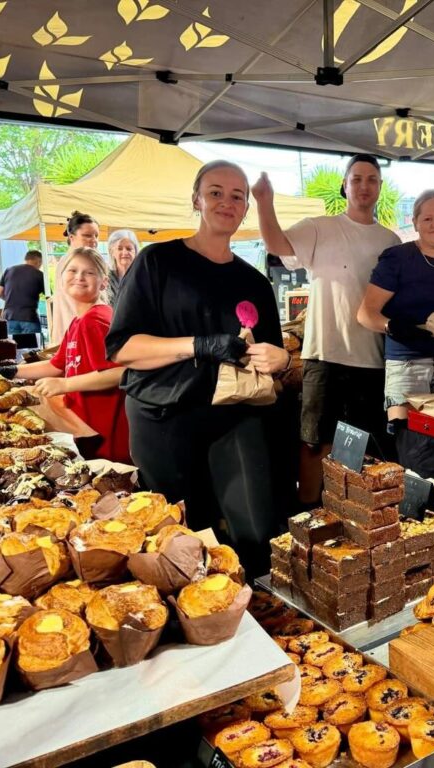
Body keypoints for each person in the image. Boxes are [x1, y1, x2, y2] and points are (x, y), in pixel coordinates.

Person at [107, 160, 290, 574]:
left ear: (246, 208)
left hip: (234, 412)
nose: (227, 202)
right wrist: (198, 346)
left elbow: (272, 353)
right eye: (215, 192)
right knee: (179, 538)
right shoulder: (158, 262)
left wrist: (282, 359)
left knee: (256, 532)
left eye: (237, 195)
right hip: (164, 414)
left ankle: (261, 618)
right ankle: (196, 622)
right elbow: (122, 348)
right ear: (196, 200)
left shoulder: (255, 282)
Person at [253, 154, 399, 506]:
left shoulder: (391, 241)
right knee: (315, 442)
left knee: (361, 449)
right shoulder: (319, 227)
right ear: (345, 186)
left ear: (379, 188)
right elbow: (276, 244)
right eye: (357, 179)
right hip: (324, 354)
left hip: (373, 359)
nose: (364, 186)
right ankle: (308, 515)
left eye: (372, 180)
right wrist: (264, 201)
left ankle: (350, 516)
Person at [0, 247, 130, 463]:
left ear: (104, 282)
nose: (79, 277)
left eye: (89, 272)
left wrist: (65, 385)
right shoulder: (79, 321)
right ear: (61, 278)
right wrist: (6, 370)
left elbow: (119, 373)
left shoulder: (95, 321)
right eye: (73, 270)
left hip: (106, 433)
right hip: (88, 426)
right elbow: (56, 365)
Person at [356, 190, 434, 423]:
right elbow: (365, 314)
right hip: (407, 363)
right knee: (405, 437)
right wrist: (391, 325)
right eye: (427, 219)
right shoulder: (397, 259)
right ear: (415, 223)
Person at [51, 211, 101, 345]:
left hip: (72, 334)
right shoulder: (74, 262)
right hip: (77, 334)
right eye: (87, 236)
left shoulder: (68, 260)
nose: (94, 240)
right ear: (72, 237)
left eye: (96, 236)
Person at [0, 250, 44, 336]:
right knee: (32, 348)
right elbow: (49, 296)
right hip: (29, 317)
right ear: (39, 261)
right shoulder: (39, 274)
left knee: (14, 348)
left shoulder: (9, 270)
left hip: (10, 318)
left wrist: (11, 299)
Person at [106, 229, 140, 309]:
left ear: (135, 252)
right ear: (112, 252)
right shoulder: (105, 278)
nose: (125, 252)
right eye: (119, 248)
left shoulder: (143, 277)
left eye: (129, 249)